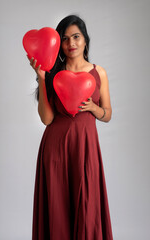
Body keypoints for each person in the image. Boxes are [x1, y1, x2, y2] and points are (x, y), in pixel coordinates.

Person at [27, 15, 113, 240]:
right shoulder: (52, 73)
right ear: (59, 44)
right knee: (57, 211)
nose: (71, 43)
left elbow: (107, 114)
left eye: (76, 37)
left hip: (85, 148)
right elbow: (46, 119)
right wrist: (41, 78)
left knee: (88, 205)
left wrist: (94, 108)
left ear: (85, 40)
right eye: (65, 39)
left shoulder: (98, 72)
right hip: (55, 150)